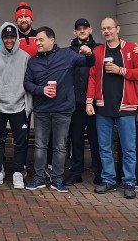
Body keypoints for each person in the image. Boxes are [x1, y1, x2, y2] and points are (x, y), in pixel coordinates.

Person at [23, 27, 94, 192]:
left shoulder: (67, 55)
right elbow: (27, 83)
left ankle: (57, 180)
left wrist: (89, 54)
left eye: (40, 40)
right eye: (36, 40)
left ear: (51, 40)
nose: (37, 43)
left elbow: (87, 63)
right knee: (40, 145)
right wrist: (41, 90)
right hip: (41, 110)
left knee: (60, 146)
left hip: (63, 109)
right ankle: (39, 178)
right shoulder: (33, 61)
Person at [86, 16, 138, 199]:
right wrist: (89, 100)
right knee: (104, 147)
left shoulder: (131, 49)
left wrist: (121, 70)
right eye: (103, 28)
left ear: (117, 29)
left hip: (126, 106)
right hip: (103, 105)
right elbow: (93, 77)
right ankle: (109, 180)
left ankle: (129, 182)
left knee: (128, 148)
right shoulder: (98, 51)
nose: (107, 31)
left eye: (110, 28)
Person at [0, 23, 31, 189]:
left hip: (19, 106)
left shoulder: (25, 57)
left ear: (16, 37)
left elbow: (28, 83)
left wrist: (27, 107)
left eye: (12, 37)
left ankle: (18, 172)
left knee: (20, 141)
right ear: (1, 38)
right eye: (6, 37)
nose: (9, 40)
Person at [66, 18, 101, 185]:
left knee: (96, 139)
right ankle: (76, 172)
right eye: (78, 28)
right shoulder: (69, 51)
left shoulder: (99, 49)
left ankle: (99, 173)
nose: (82, 31)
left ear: (90, 30)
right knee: (76, 139)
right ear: (74, 32)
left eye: (85, 28)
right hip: (76, 102)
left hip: (94, 102)